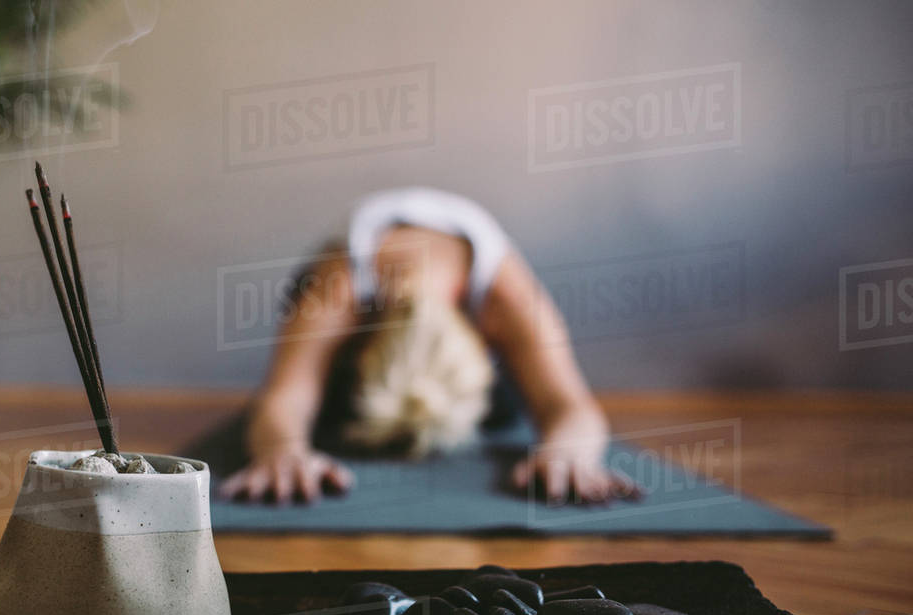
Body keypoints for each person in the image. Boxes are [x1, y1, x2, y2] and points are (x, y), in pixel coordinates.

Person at [219, 187, 639, 506]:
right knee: (327, 418)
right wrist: (283, 450)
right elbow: (286, 394)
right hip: (354, 357)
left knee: (509, 409)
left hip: (467, 359)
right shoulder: (338, 287)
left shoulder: (505, 297)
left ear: (481, 339)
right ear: (363, 349)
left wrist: (568, 451)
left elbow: (569, 402)